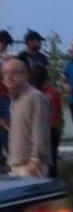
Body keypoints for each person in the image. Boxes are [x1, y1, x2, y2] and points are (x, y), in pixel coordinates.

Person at [2, 59, 50, 177]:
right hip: (16, 163)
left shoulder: (35, 97)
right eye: (5, 73)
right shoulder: (14, 98)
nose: (9, 77)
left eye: (14, 73)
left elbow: (40, 130)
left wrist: (35, 159)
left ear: (25, 75)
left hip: (31, 166)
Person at [29, 66, 63, 178]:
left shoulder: (30, 93)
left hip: (37, 129)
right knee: (51, 158)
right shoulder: (53, 92)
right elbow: (58, 110)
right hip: (51, 127)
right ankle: (52, 181)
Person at [0, 30, 13, 164]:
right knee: (4, 126)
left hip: (5, 95)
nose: (5, 48)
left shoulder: (4, 58)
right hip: (2, 96)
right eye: (4, 44)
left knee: (6, 127)